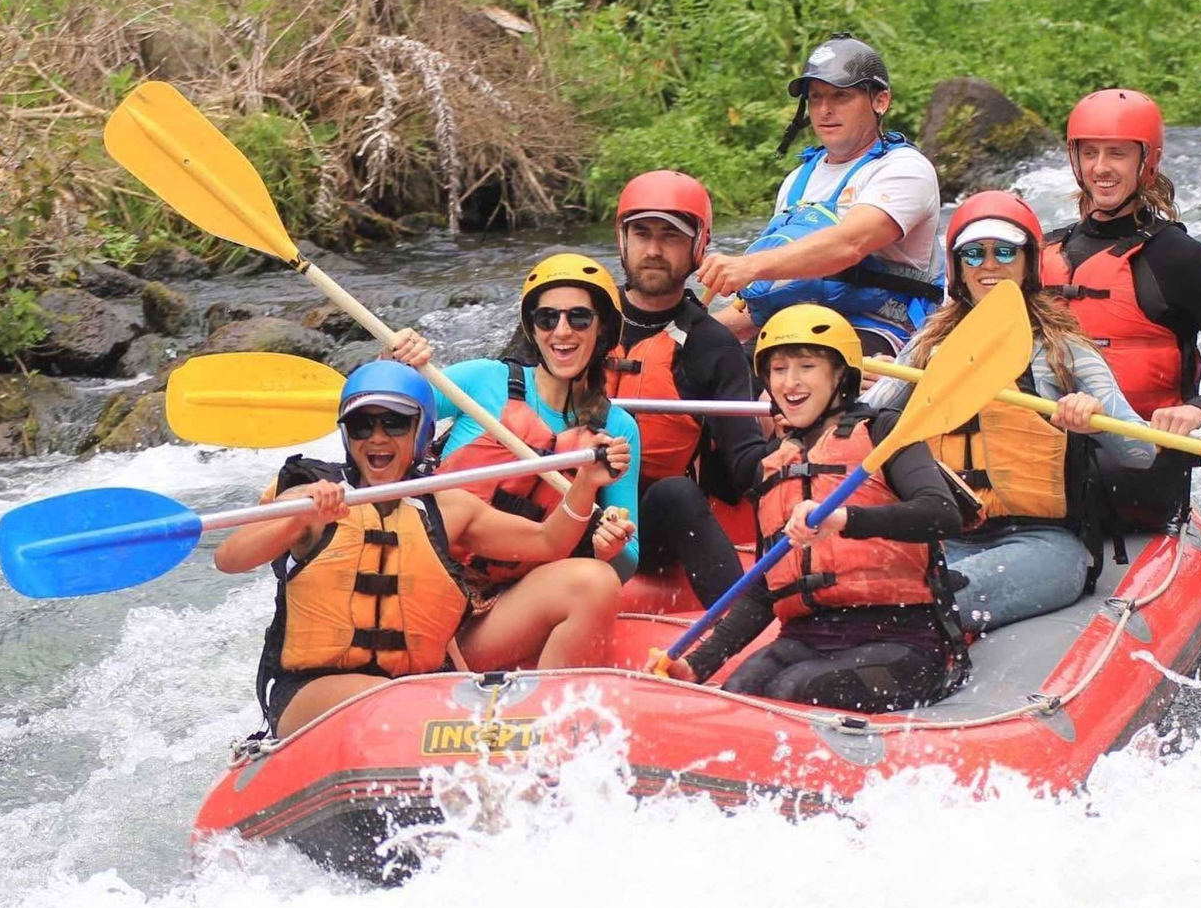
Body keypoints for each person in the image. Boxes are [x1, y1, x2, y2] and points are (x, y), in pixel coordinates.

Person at [215, 361, 629, 738]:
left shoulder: (445, 506)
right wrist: (297, 518)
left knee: (591, 580)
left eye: (394, 423)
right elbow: (229, 559)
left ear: (421, 431)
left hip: (417, 687)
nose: (377, 438)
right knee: (392, 700)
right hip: (312, 690)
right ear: (346, 435)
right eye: (362, 425)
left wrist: (585, 483)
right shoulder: (312, 496)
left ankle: (545, 735)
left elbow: (547, 541)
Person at [647, 306, 969, 714]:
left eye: (806, 366)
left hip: (903, 641)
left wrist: (845, 520)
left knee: (794, 690)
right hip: (805, 638)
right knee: (738, 694)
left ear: (840, 375)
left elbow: (940, 513)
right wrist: (698, 663)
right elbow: (767, 588)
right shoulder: (772, 465)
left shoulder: (885, 433)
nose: (791, 382)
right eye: (778, 369)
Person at [873, 191, 1155, 630]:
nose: (988, 265)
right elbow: (864, 421)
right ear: (957, 268)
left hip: (1041, 544)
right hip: (947, 538)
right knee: (865, 589)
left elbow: (1142, 452)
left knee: (932, 598)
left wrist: (1094, 414)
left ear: (1028, 265)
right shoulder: (928, 348)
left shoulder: (1065, 351)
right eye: (974, 254)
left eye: (1005, 252)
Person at [1041, 88, 1201, 527]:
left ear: (1146, 161)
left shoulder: (1178, 257)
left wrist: (1198, 409)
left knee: (1061, 482)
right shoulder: (1043, 250)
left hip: (1140, 465)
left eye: (1117, 154)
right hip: (1046, 447)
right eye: (1089, 153)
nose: (1100, 168)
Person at [389, 254, 642, 590]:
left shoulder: (618, 429)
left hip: (515, 597)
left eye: (579, 318)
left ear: (603, 329)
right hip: (426, 572)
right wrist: (392, 365)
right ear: (533, 329)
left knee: (595, 581)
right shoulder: (480, 380)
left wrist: (609, 548)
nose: (562, 331)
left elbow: (628, 564)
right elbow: (383, 416)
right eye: (547, 318)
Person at [695, 33, 944, 365]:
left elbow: (849, 244)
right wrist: (689, 335)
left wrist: (748, 266)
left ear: (880, 101)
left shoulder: (905, 169)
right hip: (791, 331)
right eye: (816, 98)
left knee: (791, 376)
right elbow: (768, 299)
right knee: (697, 363)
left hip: (878, 335)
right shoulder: (796, 181)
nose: (825, 110)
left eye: (841, 96)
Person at [603, 171, 770, 606]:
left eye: (671, 237)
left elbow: (743, 463)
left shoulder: (712, 345)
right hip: (565, 505)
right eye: (642, 234)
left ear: (698, 247)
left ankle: (738, 620)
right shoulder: (574, 317)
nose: (654, 251)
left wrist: (801, 432)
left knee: (678, 493)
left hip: (646, 524)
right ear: (622, 240)